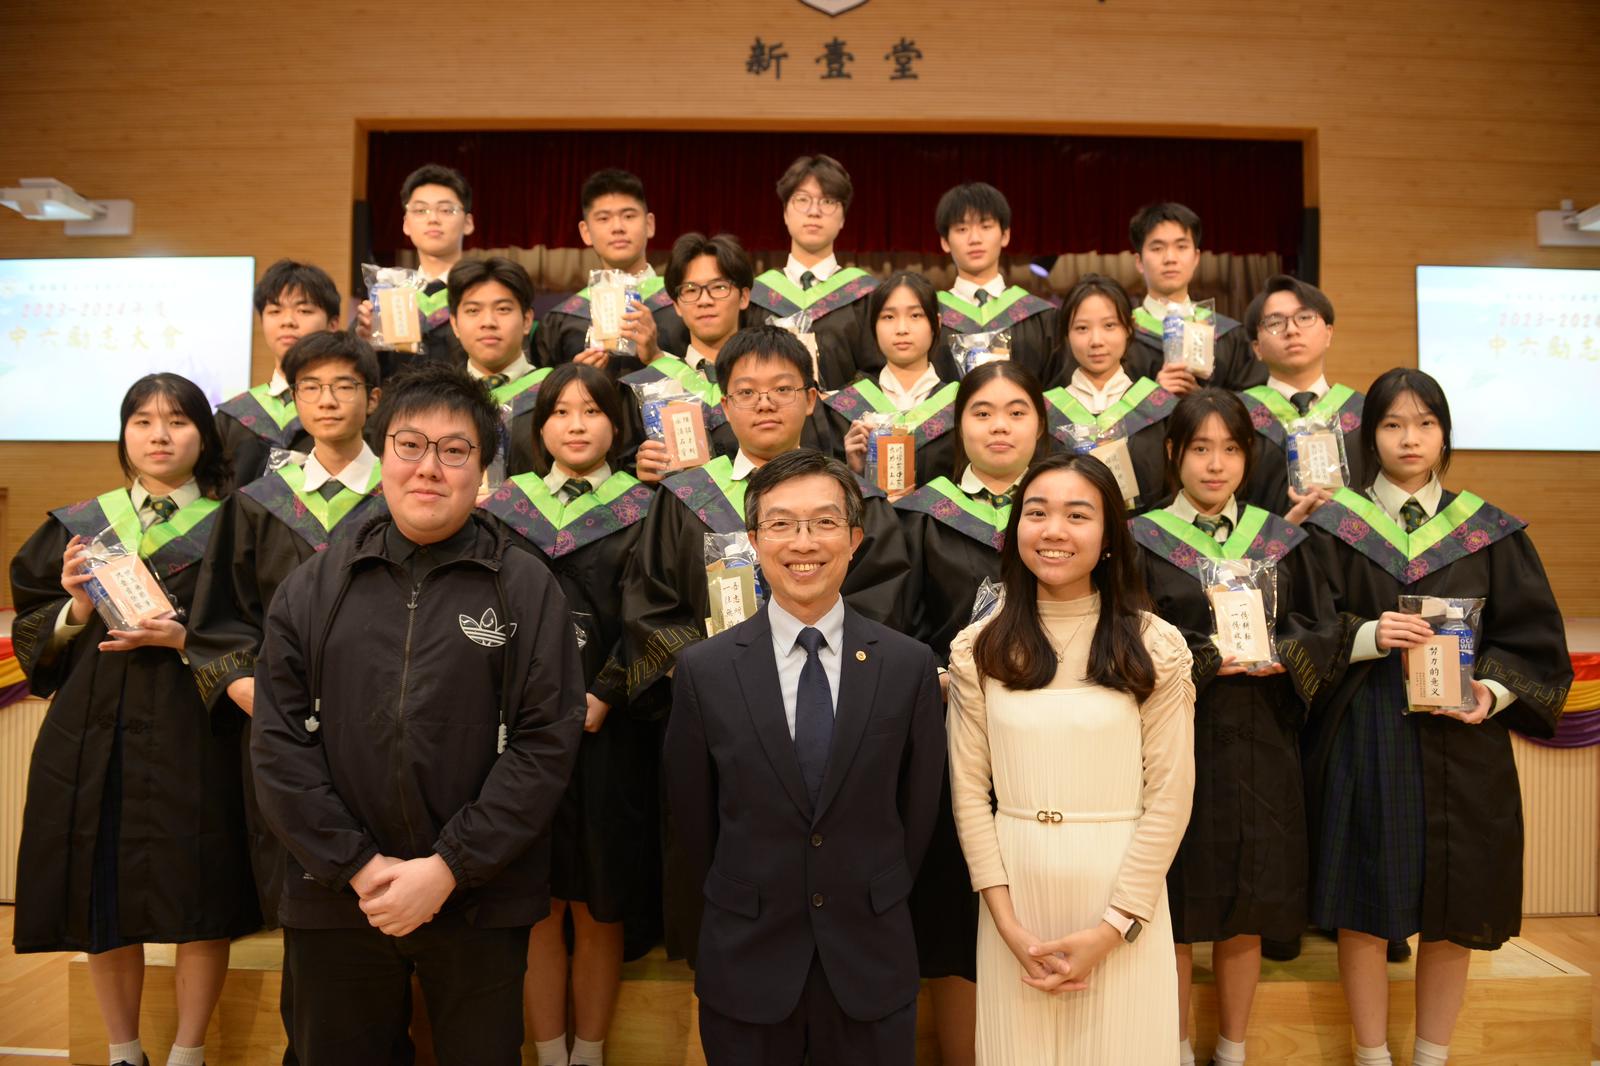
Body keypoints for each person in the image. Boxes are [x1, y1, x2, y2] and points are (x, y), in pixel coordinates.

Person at [250, 364, 586, 1066]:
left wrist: (448, 868)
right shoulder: (315, 585)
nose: (429, 467)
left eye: (455, 450)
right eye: (410, 445)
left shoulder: (525, 585)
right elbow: (278, 741)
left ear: (483, 469)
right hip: (337, 895)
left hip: (479, 896)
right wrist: (358, 866)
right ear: (382, 455)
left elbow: (545, 744)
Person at [1291, 368, 1571, 1066]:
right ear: (1369, 437)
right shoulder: (1334, 529)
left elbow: (1533, 641)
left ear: (1445, 435)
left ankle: (1431, 1056)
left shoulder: (1488, 531)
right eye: (1392, 424)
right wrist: (1366, 635)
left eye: (1425, 423)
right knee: (1362, 899)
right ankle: (1371, 1054)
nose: (1409, 438)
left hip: (1460, 738)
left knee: (1454, 902)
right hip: (1367, 727)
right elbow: (1297, 627)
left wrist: (1492, 693)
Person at [662, 450, 945, 1065]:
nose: (803, 542)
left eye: (823, 522)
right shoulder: (705, 671)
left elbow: (918, 811)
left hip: (870, 959)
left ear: (854, 540)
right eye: (781, 524)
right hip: (748, 961)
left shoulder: (908, 665)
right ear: (754, 540)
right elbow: (693, 821)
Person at [10, 373, 257, 1066]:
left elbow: (268, 625)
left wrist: (186, 639)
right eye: (142, 421)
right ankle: (124, 1052)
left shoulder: (238, 523)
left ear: (204, 435)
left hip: (196, 727)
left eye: (177, 421)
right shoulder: (84, 526)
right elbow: (37, 635)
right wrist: (76, 606)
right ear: (124, 435)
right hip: (95, 729)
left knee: (201, 888)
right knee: (102, 890)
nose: (159, 435)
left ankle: (188, 1052)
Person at [947, 452, 1195, 1065]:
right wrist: (1007, 926)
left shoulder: (1154, 644)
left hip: (1121, 897)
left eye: (1077, 515)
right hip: (1014, 901)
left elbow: (1170, 797)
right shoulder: (980, 646)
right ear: (1016, 529)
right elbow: (969, 793)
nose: (1053, 530)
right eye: (1037, 513)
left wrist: (1113, 929)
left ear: (1109, 537)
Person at [1129, 389, 1340, 1066]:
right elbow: (1128, 634)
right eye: (1200, 448)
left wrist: (1286, 655)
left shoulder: (1281, 541)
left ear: (1249, 456)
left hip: (1262, 740)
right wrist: (1208, 659)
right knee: (1175, 902)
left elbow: (1320, 625)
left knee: (1249, 899)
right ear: (1173, 454)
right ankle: (1174, 1049)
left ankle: (1233, 1048)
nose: (1215, 465)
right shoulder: (1139, 538)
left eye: (1230, 449)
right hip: (1174, 739)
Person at [479, 363, 661, 1066]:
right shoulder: (503, 511)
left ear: (617, 425)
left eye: (592, 411)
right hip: (517, 736)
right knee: (537, 900)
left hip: (609, 735)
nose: (576, 425)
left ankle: (589, 1054)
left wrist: (605, 693)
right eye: (560, 411)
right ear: (540, 426)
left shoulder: (648, 508)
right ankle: (551, 1055)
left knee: (597, 902)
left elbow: (657, 615)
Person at [189, 331, 386, 924]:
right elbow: (220, 618)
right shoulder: (257, 504)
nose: (327, 400)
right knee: (295, 877)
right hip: (282, 718)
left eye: (344, 386)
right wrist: (244, 687)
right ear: (294, 399)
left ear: (373, 399)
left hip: (389, 718)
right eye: (311, 387)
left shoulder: (404, 496)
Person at [621, 326, 910, 728]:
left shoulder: (855, 499)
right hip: (716, 706)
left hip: (832, 701)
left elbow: (880, 601)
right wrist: (711, 672)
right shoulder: (685, 497)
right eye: (747, 392)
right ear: (725, 406)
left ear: (810, 399)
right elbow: (650, 606)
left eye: (782, 389)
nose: (765, 404)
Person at [891, 359, 1053, 1066]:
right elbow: (894, 624)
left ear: (1041, 424)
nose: (999, 426)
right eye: (982, 412)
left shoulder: (1066, 512)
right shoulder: (919, 517)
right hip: (953, 737)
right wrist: (935, 673)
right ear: (957, 426)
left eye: (1017, 412)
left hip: (1054, 745)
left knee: (1046, 892)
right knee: (960, 907)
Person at [1042, 273, 1180, 515]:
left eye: (1109, 325)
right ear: (1066, 334)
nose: (1096, 341)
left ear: (1129, 328)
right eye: (1082, 328)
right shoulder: (1045, 411)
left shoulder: (1159, 408)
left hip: (1146, 535)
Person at [744, 154, 879, 389]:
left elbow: (879, 371)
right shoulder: (755, 296)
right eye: (802, 199)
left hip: (842, 413)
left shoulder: (865, 295)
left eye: (827, 201)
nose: (814, 211)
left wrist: (835, 404)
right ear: (785, 213)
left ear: (843, 218)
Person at [534, 168, 687, 375]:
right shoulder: (561, 321)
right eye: (603, 218)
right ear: (585, 232)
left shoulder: (684, 302)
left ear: (649, 224)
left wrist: (657, 356)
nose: (617, 227)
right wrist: (572, 380)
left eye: (629, 216)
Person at [1237, 274, 1367, 516]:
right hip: (1267, 539)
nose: (1291, 330)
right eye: (1275, 322)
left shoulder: (1365, 413)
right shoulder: (1236, 415)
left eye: (1305, 317)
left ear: (1328, 333)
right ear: (1257, 348)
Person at [826, 271, 960, 491]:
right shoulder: (847, 407)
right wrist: (853, 471)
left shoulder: (960, 406)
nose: (901, 329)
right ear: (873, 326)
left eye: (915, 315)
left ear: (936, 323)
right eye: (888, 317)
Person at [1116, 202, 1266, 393]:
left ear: (1196, 258)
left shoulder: (1228, 335)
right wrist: (1155, 397)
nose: (1170, 258)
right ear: (1139, 262)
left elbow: (1254, 402)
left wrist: (1203, 400)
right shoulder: (1122, 335)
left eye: (1181, 247)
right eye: (1157, 248)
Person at [215, 258, 338, 483]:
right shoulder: (233, 416)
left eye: (304, 310)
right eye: (275, 311)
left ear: (333, 325)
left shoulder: (347, 408)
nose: (287, 321)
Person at [355, 163, 481, 374]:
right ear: (406, 223)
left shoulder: (484, 292)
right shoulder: (389, 295)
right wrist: (366, 344)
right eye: (420, 210)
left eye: (446, 210)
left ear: (468, 223)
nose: (433, 219)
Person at [933, 182, 1062, 387]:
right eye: (962, 229)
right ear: (945, 242)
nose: (975, 239)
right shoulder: (931, 316)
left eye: (985, 226)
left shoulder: (1040, 316)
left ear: (1005, 235)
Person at [446, 256, 550, 479]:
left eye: (503, 309)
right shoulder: (439, 397)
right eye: (473, 311)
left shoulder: (554, 394)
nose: (488, 322)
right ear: (454, 324)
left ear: (527, 320)